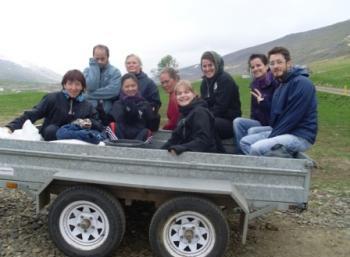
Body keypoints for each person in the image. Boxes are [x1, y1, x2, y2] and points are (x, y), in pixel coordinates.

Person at [240, 47, 318, 156]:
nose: (275, 66)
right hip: (285, 131)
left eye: (279, 62)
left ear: (289, 63)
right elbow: (275, 117)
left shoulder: (302, 83)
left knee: (256, 148)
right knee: (245, 142)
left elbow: (292, 118)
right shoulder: (281, 86)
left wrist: (271, 137)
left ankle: (266, 169)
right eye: (272, 63)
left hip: (300, 135)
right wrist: (263, 103)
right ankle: (271, 161)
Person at [4, 70, 103, 141]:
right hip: (50, 141)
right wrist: (10, 127)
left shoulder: (87, 105)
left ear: (82, 87)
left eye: (77, 84)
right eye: (70, 84)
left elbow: (98, 124)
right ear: (64, 85)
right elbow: (32, 114)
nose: (73, 88)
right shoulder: (52, 98)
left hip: (75, 143)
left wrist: (88, 122)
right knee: (51, 130)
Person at [162, 80, 222, 155]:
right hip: (190, 157)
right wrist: (159, 152)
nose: (183, 95)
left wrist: (181, 147)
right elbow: (174, 139)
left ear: (193, 94)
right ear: (176, 97)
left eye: (186, 92)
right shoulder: (182, 115)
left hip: (208, 157)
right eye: (179, 93)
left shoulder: (200, 112)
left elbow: (203, 141)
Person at [233, 54, 277, 153]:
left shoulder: (275, 83)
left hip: (273, 124)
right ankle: (241, 152)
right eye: (252, 67)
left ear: (266, 66)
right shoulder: (254, 85)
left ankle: (251, 156)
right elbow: (254, 110)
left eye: (258, 65)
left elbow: (278, 110)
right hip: (260, 122)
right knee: (238, 122)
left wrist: (263, 102)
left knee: (252, 131)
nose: (255, 69)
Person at [104, 73, 159, 141]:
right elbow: (115, 120)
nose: (130, 89)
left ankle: (135, 148)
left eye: (133, 86)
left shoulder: (145, 104)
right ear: (122, 88)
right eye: (127, 86)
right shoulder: (117, 104)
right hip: (120, 137)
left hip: (139, 139)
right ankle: (120, 146)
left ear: (137, 86)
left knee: (147, 132)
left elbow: (153, 127)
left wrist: (155, 115)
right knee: (112, 126)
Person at [200, 51, 241, 139]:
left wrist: (204, 117)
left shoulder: (224, 79)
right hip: (214, 117)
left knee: (208, 123)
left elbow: (220, 107)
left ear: (217, 64)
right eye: (204, 66)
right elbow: (204, 103)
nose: (207, 69)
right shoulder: (204, 83)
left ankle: (216, 150)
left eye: (210, 65)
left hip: (229, 121)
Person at [83, 44, 122, 113]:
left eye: (102, 58)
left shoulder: (115, 72)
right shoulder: (86, 71)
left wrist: (88, 94)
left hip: (107, 113)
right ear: (93, 57)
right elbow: (90, 86)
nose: (100, 61)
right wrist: (94, 66)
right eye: (97, 59)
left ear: (108, 57)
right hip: (88, 112)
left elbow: (113, 91)